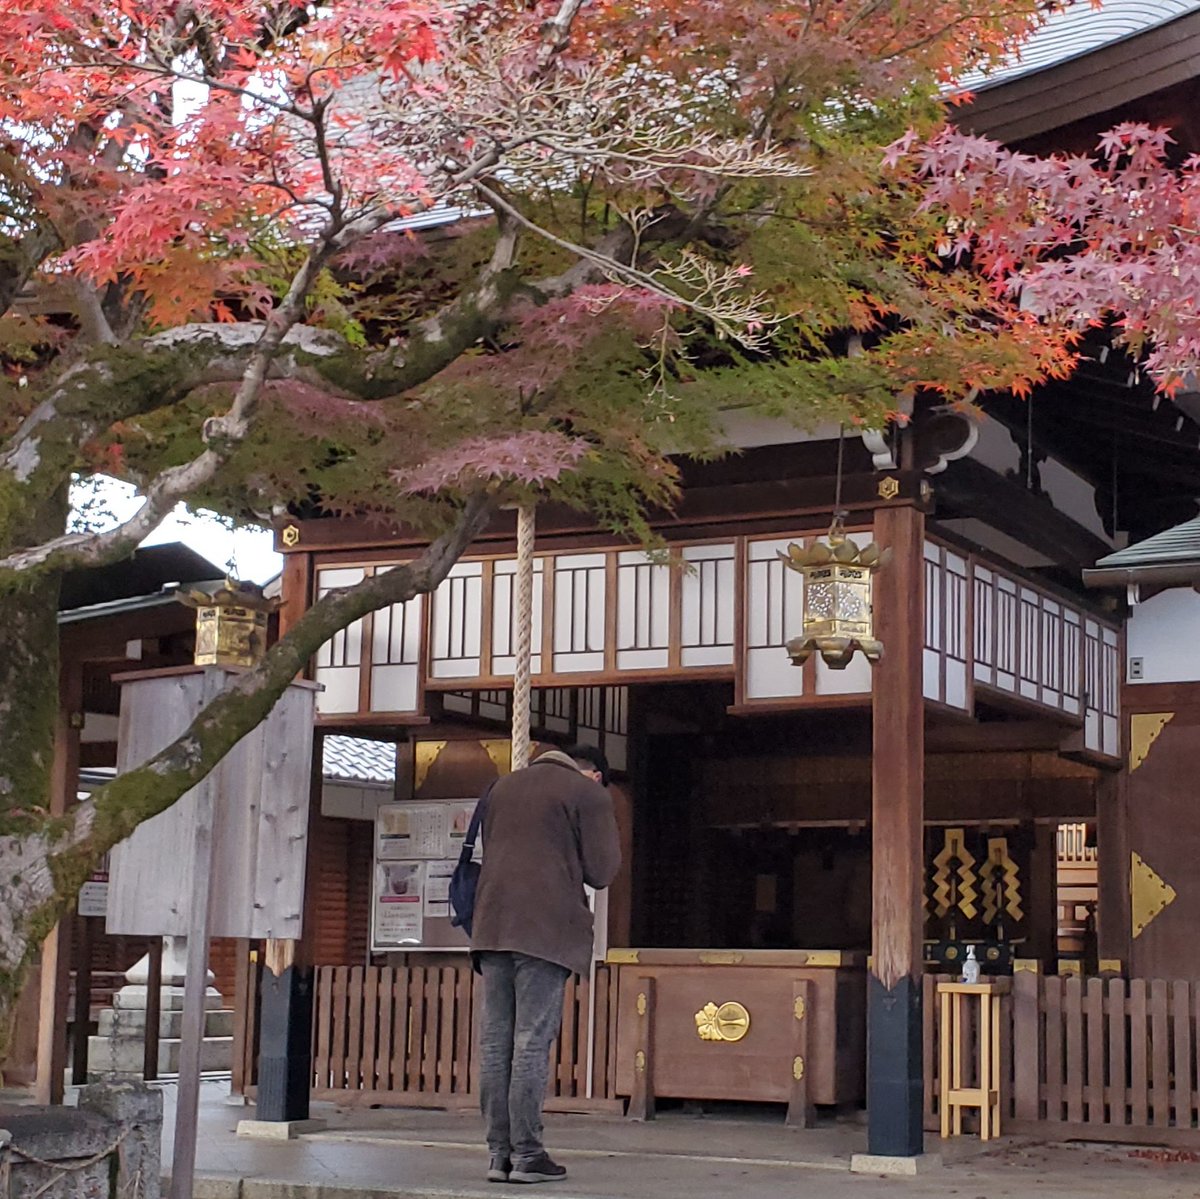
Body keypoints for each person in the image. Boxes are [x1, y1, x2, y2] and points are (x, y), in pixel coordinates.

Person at [470, 743, 621, 1185]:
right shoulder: (587, 793)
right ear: (593, 773)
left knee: (496, 1043)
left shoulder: (500, 788)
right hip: (545, 930)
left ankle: (498, 1154)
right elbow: (603, 871)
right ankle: (528, 1154)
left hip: (491, 926)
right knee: (530, 1041)